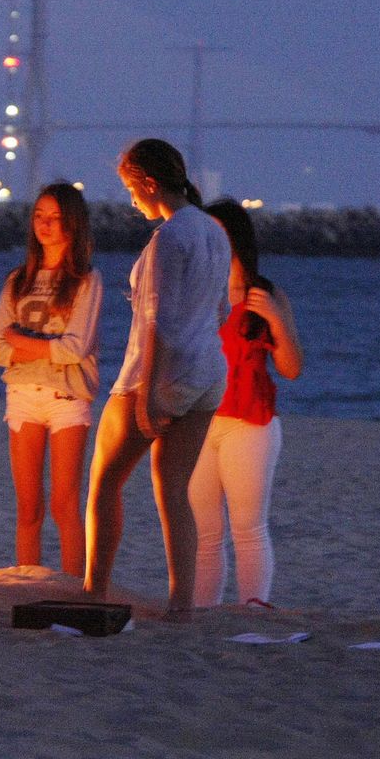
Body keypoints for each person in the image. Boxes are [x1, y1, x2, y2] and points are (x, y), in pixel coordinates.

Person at [84, 139, 229, 618]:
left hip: (162, 374)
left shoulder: (169, 238)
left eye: (131, 188)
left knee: (106, 482)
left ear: (148, 181)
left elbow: (158, 322)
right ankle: (181, 604)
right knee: (174, 487)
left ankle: (95, 591)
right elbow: (220, 310)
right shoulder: (214, 231)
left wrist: (147, 397)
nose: (131, 200)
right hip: (209, 371)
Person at [187, 200, 303, 608]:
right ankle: (204, 612)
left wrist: (276, 319)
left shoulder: (263, 294)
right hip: (198, 421)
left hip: (249, 422)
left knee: (248, 527)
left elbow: (291, 367)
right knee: (205, 533)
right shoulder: (195, 288)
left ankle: (254, 610)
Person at [0, 182, 102, 576]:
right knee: (28, 506)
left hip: (67, 398)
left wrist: (22, 340)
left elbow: (76, 348)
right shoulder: (17, 280)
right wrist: (40, 345)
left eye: (55, 218)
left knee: (65, 504)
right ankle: (28, 586)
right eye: (39, 216)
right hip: (21, 395)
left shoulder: (86, 280)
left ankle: (72, 591)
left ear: (72, 224)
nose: (45, 225)